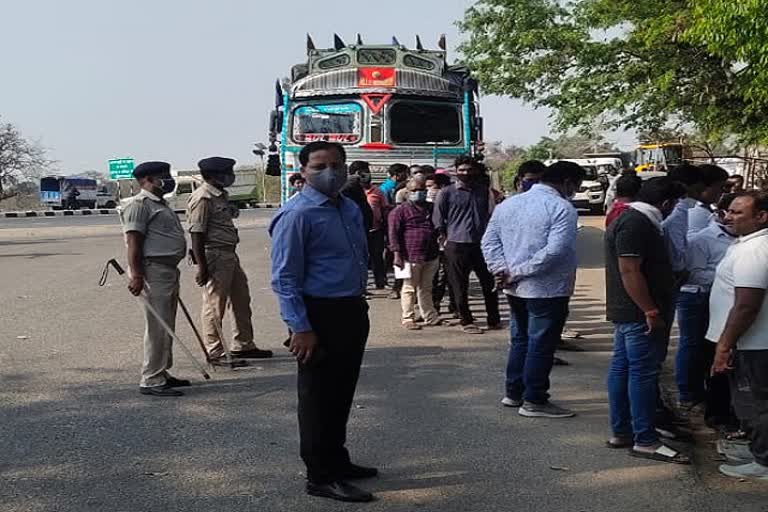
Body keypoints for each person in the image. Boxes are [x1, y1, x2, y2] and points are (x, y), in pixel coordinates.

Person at [269, 141, 376, 503]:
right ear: (303, 172)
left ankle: (338, 459)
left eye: (336, 165)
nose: (329, 172)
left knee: (342, 391)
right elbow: (284, 278)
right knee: (318, 399)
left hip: (350, 309)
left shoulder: (348, 207)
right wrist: (300, 327)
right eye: (319, 166)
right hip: (317, 315)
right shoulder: (297, 214)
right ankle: (320, 475)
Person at [482, 161, 585, 418]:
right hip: (546, 289)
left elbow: (489, 241)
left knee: (521, 340)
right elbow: (555, 251)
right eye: (576, 186)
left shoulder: (509, 204)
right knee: (541, 344)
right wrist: (515, 272)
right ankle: (535, 399)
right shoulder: (562, 208)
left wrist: (502, 270)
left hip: (514, 287)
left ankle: (514, 392)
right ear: (569, 182)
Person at [604, 176, 689, 464]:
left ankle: (624, 431)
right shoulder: (635, 223)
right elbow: (630, 271)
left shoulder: (634, 219)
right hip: (638, 312)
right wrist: (650, 310)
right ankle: (645, 439)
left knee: (625, 368)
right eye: (674, 204)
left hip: (633, 311)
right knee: (641, 371)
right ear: (666, 203)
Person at [705, 192, 768, 480]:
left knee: (754, 403)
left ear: (761, 216)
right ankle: (759, 450)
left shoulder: (753, 251)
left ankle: (764, 462)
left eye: (737, 213)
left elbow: (746, 304)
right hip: (749, 341)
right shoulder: (747, 245)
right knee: (751, 401)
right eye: (728, 211)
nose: (728, 217)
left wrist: (725, 345)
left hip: (752, 343)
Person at [186, 157, 273, 366]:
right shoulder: (203, 198)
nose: (231, 177)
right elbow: (196, 234)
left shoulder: (220, 195)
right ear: (215, 175)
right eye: (228, 172)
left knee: (241, 299)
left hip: (229, 254)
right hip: (214, 255)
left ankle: (243, 344)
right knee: (215, 305)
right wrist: (202, 267)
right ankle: (215, 352)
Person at [119, 161, 189, 397]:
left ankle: (162, 372)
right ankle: (151, 379)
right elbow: (133, 243)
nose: (168, 179)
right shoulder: (139, 205)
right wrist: (137, 274)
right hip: (152, 271)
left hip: (168, 270)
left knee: (167, 324)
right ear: (147, 179)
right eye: (163, 176)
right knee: (157, 326)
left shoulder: (161, 204)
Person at [675, 194, 737, 411]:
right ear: (721, 213)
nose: (733, 218)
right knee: (693, 346)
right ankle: (688, 393)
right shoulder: (703, 239)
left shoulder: (741, 240)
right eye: (732, 212)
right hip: (696, 297)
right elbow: (693, 274)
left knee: (713, 348)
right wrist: (730, 277)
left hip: (722, 299)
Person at [434, 155, 500, 334]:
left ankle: (494, 319)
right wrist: (443, 239)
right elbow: (438, 219)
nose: (466, 173)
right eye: (462, 170)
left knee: (489, 283)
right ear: (456, 172)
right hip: (456, 244)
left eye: (469, 170)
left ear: (476, 171)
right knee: (459, 285)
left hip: (482, 244)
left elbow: (493, 216)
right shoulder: (446, 192)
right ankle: (466, 320)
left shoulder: (484, 191)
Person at [389, 176, 441, 330]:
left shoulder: (431, 208)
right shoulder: (399, 211)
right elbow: (393, 234)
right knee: (409, 288)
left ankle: (430, 316)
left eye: (422, 189)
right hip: (409, 255)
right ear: (407, 191)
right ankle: (408, 317)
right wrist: (397, 255)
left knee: (426, 288)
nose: (419, 192)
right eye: (415, 190)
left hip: (431, 254)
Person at [427, 172, 457, 315]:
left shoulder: (449, 202)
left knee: (450, 276)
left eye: (431, 187)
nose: (429, 191)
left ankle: (454, 305)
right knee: (436, 278)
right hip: (433, 247)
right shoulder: (425, 207)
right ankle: (435, 304)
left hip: (449, 244)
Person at [356, 161, 388, 290]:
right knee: (360, 258)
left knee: (377, 257)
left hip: (376, 229)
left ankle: (380, 282)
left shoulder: (378, 191)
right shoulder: (353, 191)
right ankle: (361, 285)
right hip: (359, 230)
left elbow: (384, 208)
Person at [687, 164, 729, 234]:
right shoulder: (694, 211)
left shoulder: (709, 208)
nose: (723, 191)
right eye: (720, 187)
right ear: (703, 186)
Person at [341, 161, 374, 232]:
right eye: (367, 172)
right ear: (359, 173)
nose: (369, 175)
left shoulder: (356, 185)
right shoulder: (349, 187)